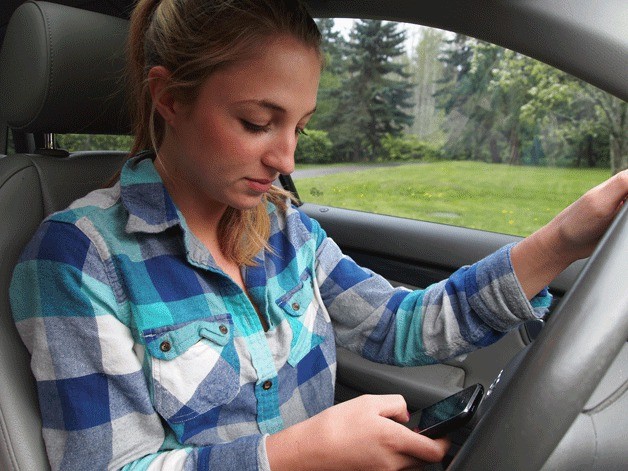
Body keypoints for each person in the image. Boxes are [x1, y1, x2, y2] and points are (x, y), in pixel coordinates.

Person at [9, 0, 628, 469]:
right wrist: (292, 454)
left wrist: (566, 239)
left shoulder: (283, 227)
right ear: (169, 97)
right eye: (258, 122)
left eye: (300, 126)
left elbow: (402, 326)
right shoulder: (78, 259)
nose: (287, 159)